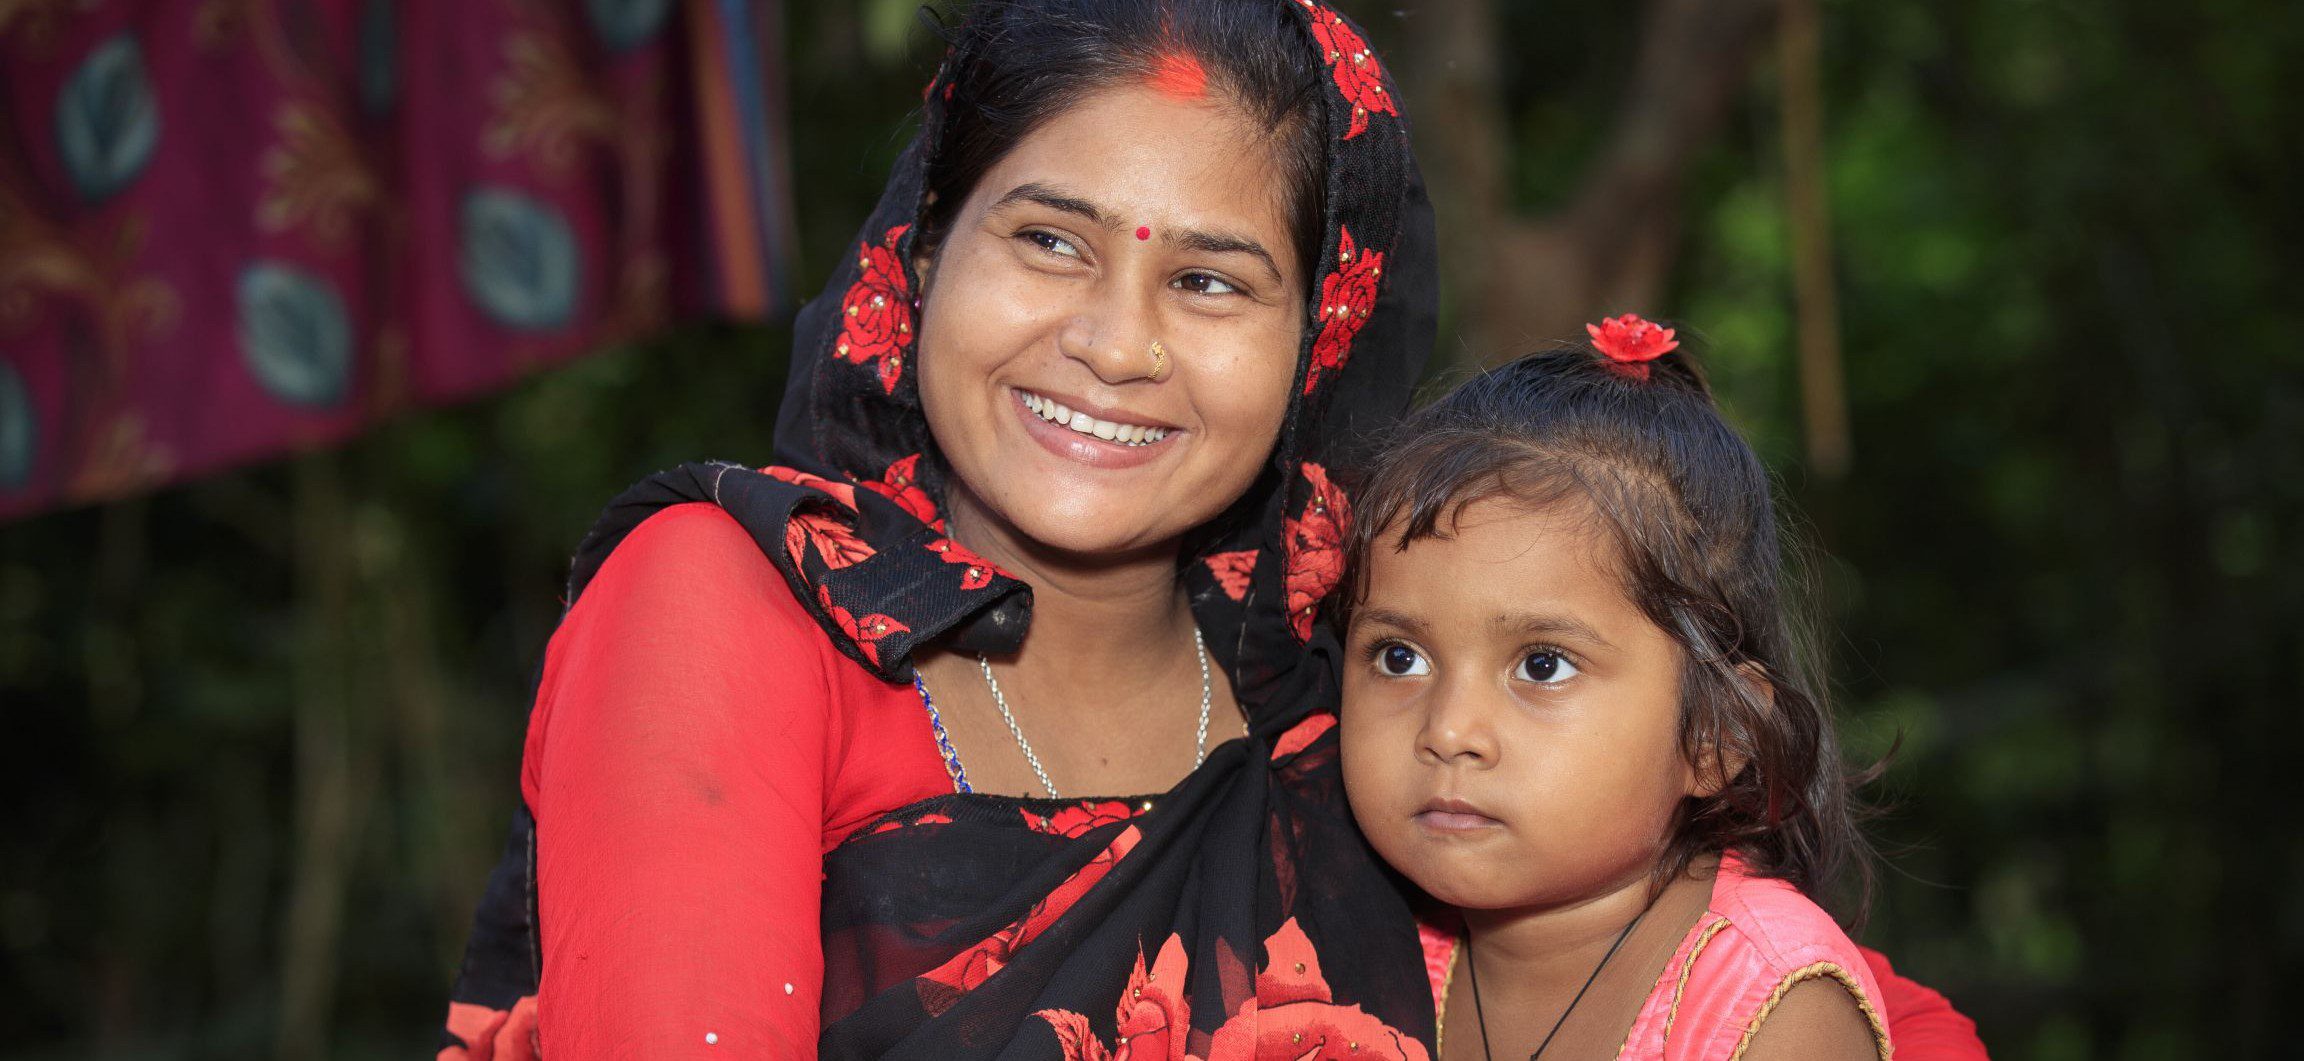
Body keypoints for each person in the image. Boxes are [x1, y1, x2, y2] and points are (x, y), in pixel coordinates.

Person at [436, 2, 1982, 1056]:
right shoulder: (740, 601)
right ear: (919, 260)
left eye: (1212, 278)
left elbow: (1762, 983)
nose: (1116, 342)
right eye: (1047, 238)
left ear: (1317, 338)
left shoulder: (1345, 689)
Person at [1336, 318, 1910, 1059]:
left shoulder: (1772, 1012)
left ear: (1717, 733)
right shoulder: (1347, 940)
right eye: (1398, 657)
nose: (1448, 730)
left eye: (1542, 665)